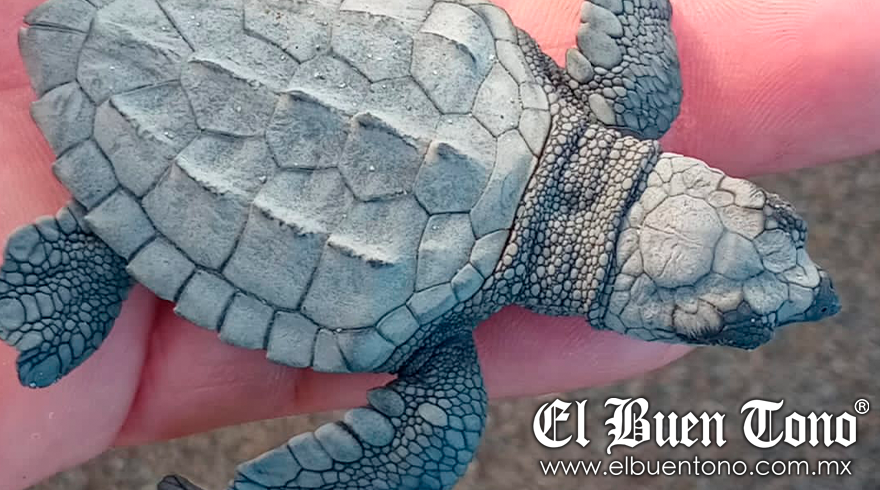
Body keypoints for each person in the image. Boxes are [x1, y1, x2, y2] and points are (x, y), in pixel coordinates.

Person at [1, 0, 877, 487]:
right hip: (158, 164)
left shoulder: (629, 95)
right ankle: (104, 242)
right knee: (428, 448)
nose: (814, 285)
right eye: (783, 225)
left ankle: (103, 242)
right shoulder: (441, 360)